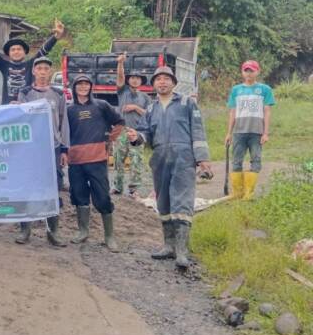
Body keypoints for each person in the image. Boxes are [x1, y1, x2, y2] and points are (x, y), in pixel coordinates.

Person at [127, 66, 212, 271]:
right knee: (163, 201)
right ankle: (168, 246)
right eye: (158, 79)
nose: (162, 82)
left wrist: (202, 159)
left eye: (166, 79)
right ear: (154, 84)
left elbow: (198, 131)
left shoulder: (187, 103)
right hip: (160, 158)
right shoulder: (151, 108)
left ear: (173, 83)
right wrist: (137, 137)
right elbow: (145, 133)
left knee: (182, 201)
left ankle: (181, 251)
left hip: (183, 158)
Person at [66, 74, 124, 252]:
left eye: (86, 84)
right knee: (79, 195)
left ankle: (109, 236)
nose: (83, 87)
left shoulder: (101, 105)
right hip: (75, 161)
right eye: (79, 84)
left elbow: (120, 122)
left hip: (97, 159)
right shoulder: (68, 110)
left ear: (91, 87)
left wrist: (109, 139)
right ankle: (83, 231)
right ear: (74, 88)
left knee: (103, 196)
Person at [16, 56, 69, 247]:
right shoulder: (25, 93)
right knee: (27, 187)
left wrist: (64, 149)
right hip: (30, 148)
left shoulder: (58, 94)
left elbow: (63, 122)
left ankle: (53, 231)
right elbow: (20, 118)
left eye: (46, 69)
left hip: (52, 147)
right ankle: (25, 230)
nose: (43, 72)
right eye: (39, 69)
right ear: (33, 71)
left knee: (53, 189)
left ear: (50, 71)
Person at [0, 19, 66, 104]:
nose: (16, 52)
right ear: (9, 53)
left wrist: (56, 37)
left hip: (27, 107)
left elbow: (43, 51)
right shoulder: (4, 65)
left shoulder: (31, 65)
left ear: (25, 52)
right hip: (8, 108)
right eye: (13, 50)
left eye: (19, 49)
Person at [224, 60, 275, 200]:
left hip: (256, 132)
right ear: (242, 72)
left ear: (257, 72)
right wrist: (229, 133)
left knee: (256, 160)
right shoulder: (236, 90)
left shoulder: (265, 89)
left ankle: (248, 194)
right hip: (239, 132)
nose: (248, 73)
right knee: (236, 161)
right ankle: (237, 192)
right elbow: (232, 112)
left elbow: (267, 112)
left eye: (251, 71)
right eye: (246, 70)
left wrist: (265, 133)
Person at [113, 53, 151, 196]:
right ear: (129, 80)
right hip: (122, 131)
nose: (135, 80)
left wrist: (135, 107)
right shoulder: (122, 92)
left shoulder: (145, 97)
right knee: (118, 160)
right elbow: (120, 77)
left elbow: (149, 114)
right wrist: (120, 63)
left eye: (138, 78)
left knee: (136, 161)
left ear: (141, 81)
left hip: (137, 133)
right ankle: (117, 186)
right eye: (132, 78)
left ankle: (134, 189)